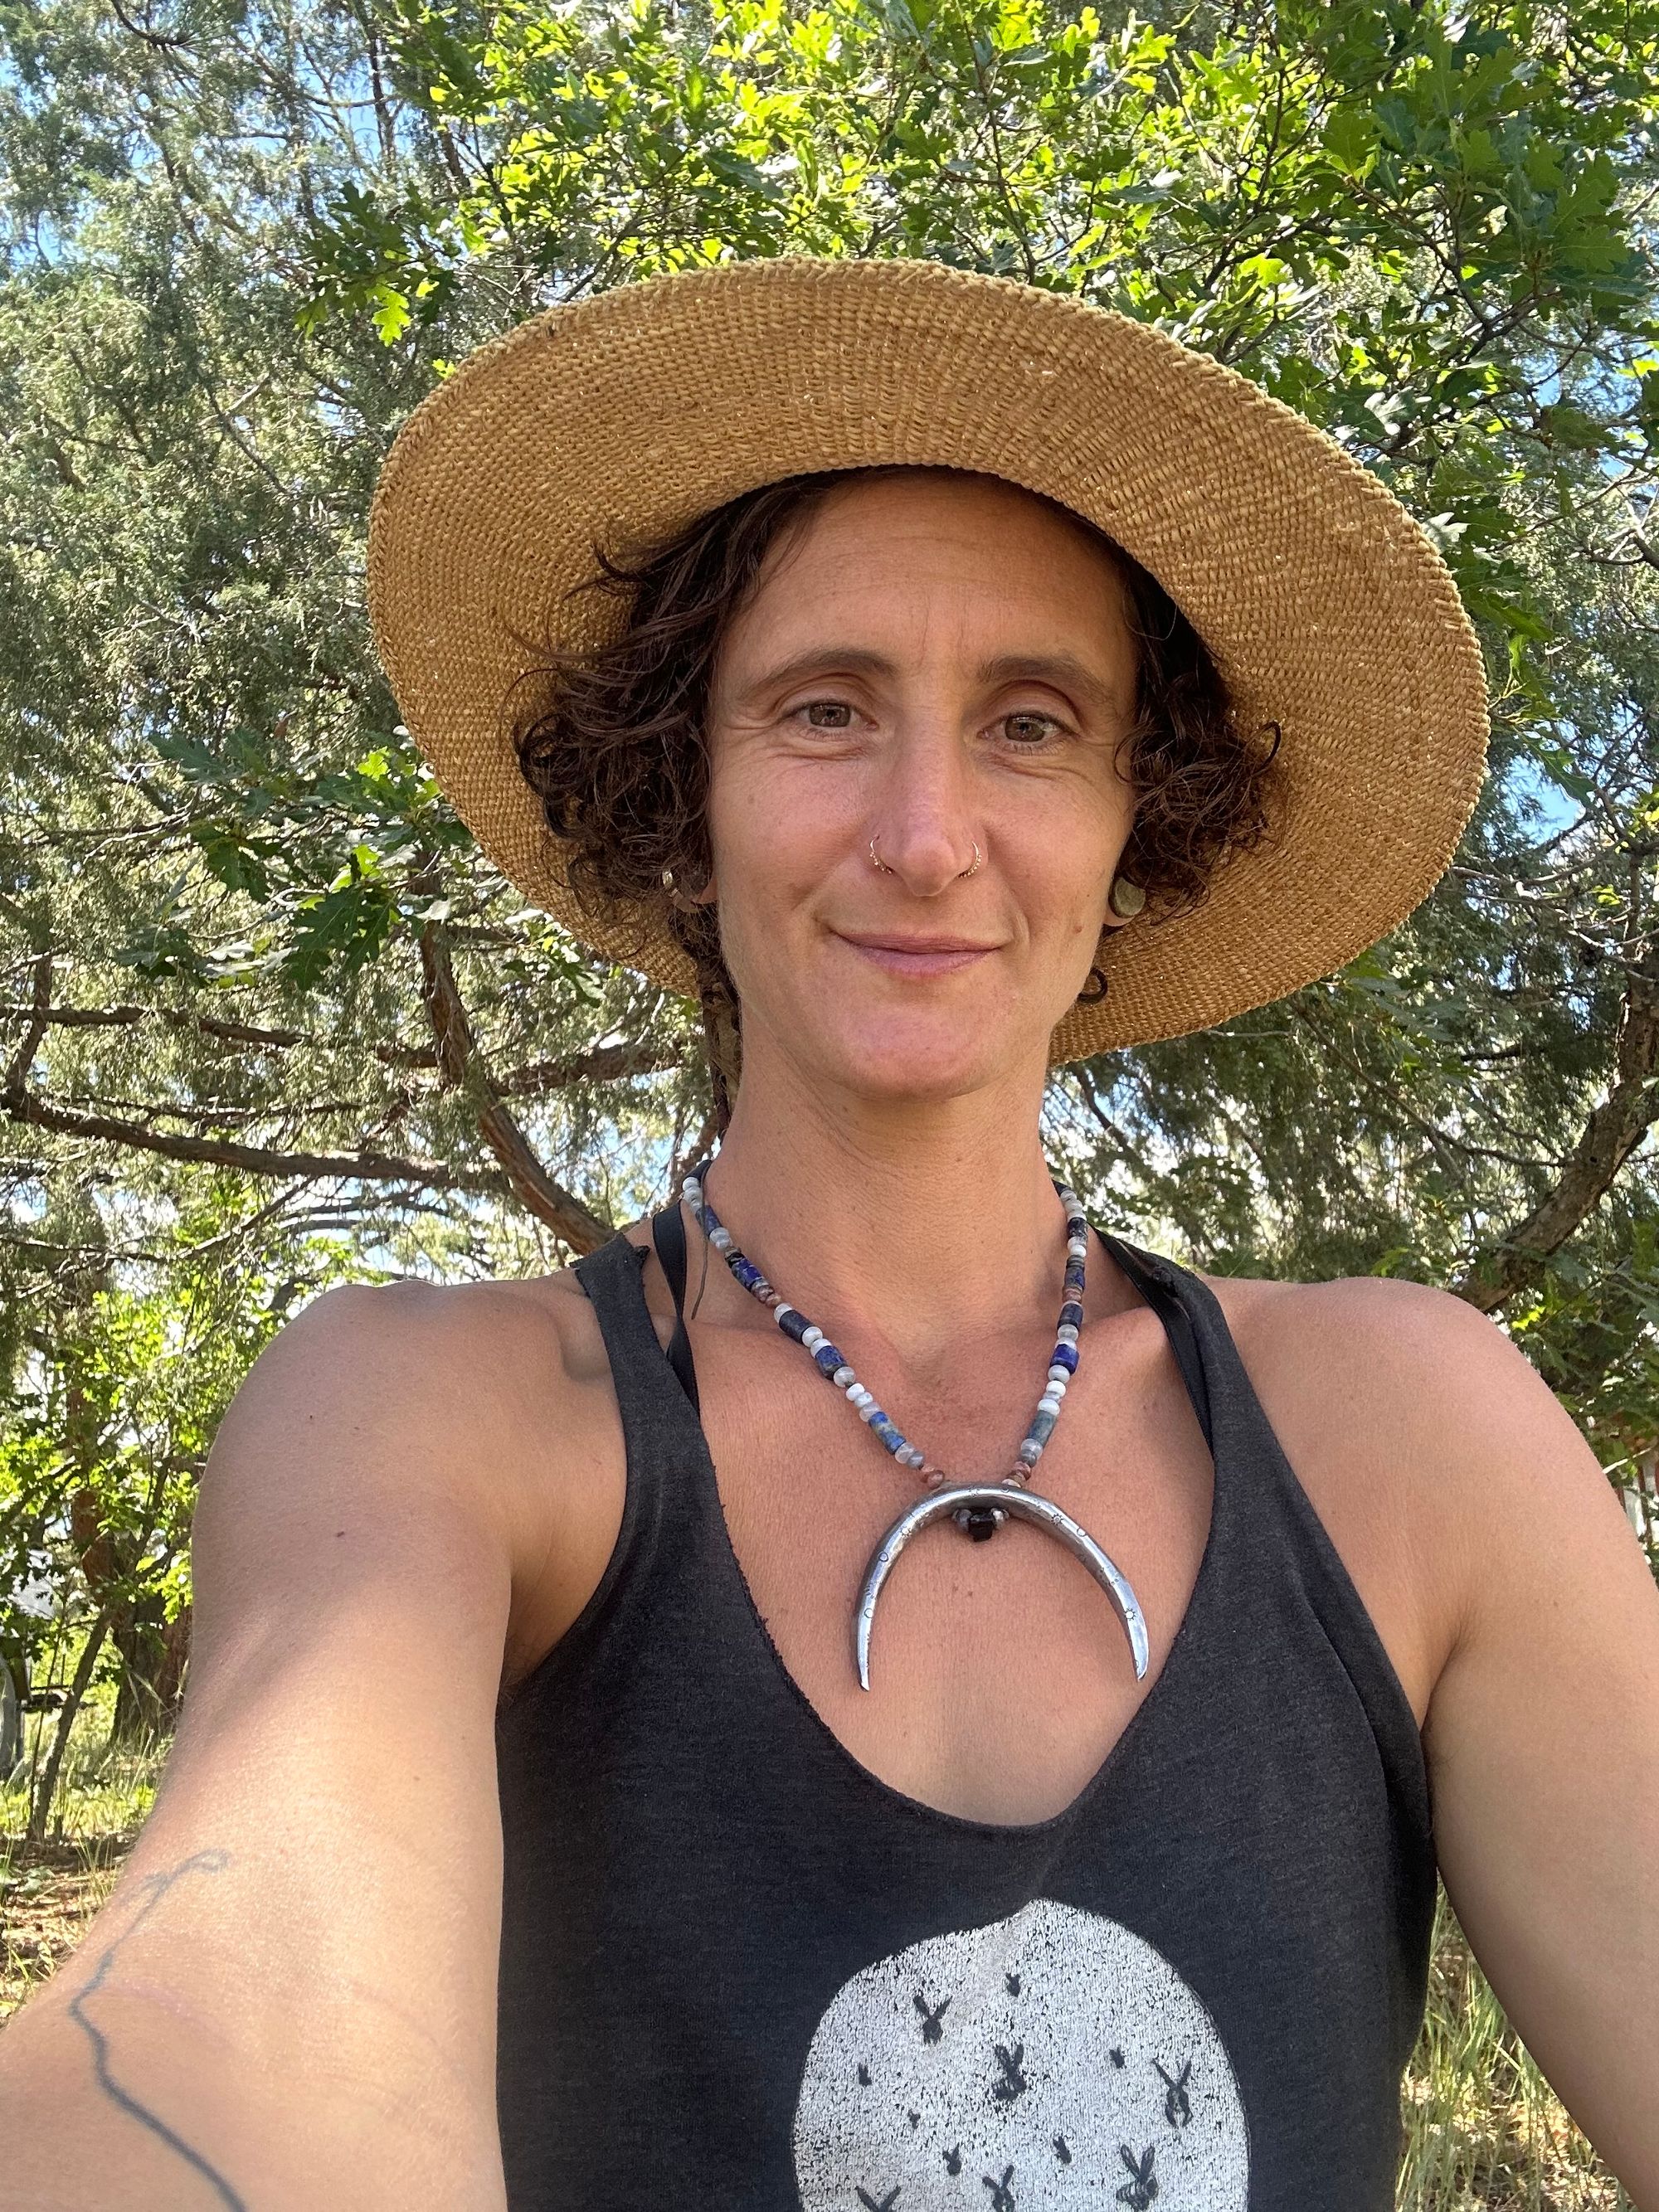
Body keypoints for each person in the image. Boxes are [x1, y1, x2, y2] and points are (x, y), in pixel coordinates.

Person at [2, 257, 1656, 2211]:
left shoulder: (1412, 1430)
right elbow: (237, 2010)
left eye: (1032, 723)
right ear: (682, 800)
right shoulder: (421, 1417)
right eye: (822, 707)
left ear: (1142, 823)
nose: (928, 829)